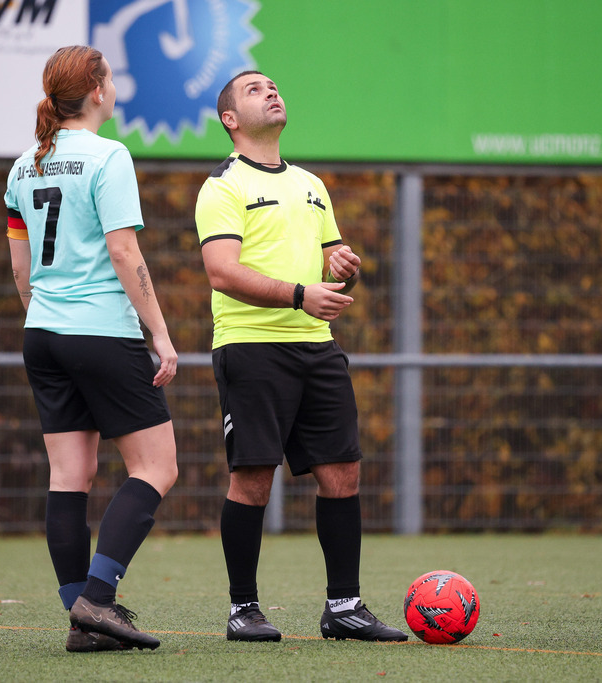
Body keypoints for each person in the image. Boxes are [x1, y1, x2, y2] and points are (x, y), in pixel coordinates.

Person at [193, 70, 407, 643]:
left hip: (317, 347)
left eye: (273, 85)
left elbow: (330, 249)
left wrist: (342, 261)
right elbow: (222, 272)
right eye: (255, 89)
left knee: (343, 472)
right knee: (254, 478)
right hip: (251, 347)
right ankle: (244, 609)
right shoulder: (222, 187)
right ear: (230, 120)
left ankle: (345, 606)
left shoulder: (312, 183)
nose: (271, 91)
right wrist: (298, 294)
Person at [4, 45, 178, 653]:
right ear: (99, 90)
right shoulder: (109, 155)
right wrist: (158, 330)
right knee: (157, 468)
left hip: (42, 332)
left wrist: (45, 321)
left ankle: (81, 623)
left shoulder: (24, 165)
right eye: (110, 77)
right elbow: (125, 253)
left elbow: (21, 270)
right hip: (100, 328)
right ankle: (98, 601)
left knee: (68, 475)